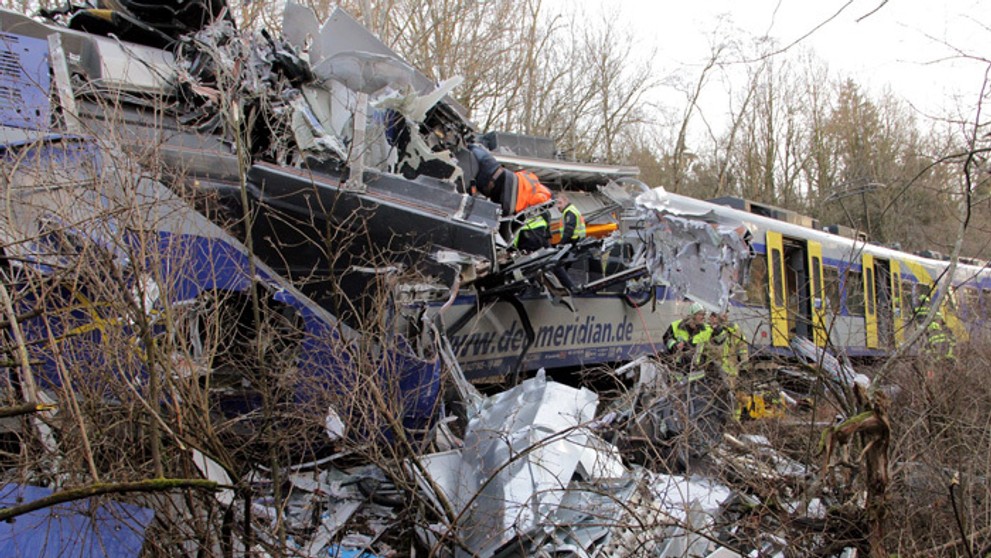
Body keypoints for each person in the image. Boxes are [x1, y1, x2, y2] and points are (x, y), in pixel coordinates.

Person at [466, 144, 552, 251]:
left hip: (506, 181)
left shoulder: (537, 192)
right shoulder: (537, 207)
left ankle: (468, 146)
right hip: (504, 191)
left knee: (479, 157)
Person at [663, 302, 713, 371]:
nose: (703, 317)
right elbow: (666, 338)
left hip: (695, 368)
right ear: (692, 315)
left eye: (704, 315)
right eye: (700, 314)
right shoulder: (676, 325)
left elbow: (718, 340)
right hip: (677, 367)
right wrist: (674, 345)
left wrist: (719, 329)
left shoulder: (706, 330)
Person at [913, 290, 955, 361]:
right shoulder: (932, 308)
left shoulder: (917, 309)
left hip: (926, 330)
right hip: (946, 355)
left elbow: (915, 320)